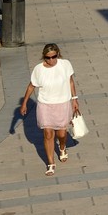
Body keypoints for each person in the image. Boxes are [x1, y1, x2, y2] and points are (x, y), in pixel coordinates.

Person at [21, 43, 80, 175]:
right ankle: (50, 163)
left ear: (58, 54)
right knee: (48, 134)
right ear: (44, 57)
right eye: (48, 58)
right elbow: (31, 86)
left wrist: (74, 99)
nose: (51, 60)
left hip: (62, 103)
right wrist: (24, 103)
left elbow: (70, 81)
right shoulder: (38, 69)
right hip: (45, 105)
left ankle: (62, 147)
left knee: (62, 134)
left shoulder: (65, 64)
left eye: (54, 57)